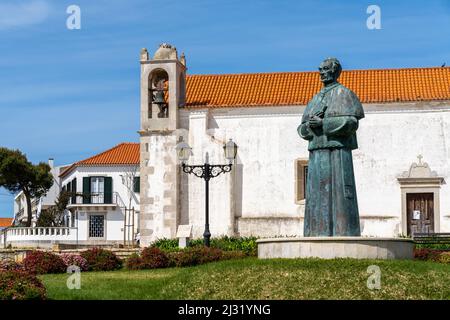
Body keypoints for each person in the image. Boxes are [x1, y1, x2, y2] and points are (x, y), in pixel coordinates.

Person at [297, 58, 365, 236]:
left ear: (335, 71)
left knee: (340, 196)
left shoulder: (345, 94)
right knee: (316, 196)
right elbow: (301, 129)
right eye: (320, 69)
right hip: (317, 153)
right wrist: (310, 126)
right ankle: (315, 234)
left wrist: (324, 123)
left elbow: (351, 122)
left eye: (326, 69)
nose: (321, 72)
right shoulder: (314, 99)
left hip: (338, 150)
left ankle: (343, 234)